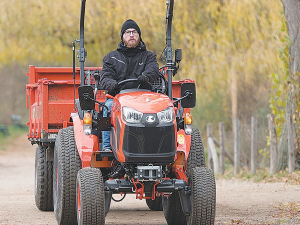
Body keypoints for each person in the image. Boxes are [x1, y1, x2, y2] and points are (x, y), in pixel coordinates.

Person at [100, 19, 160, 151]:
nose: (131, 35)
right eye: (128, 32)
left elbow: (153, 69)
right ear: (122, 37)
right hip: (119, 97)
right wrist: (113, 85)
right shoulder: (111, 58)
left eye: (134, 32)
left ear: (139, 35)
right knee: (107, 107)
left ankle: (156, 146)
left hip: (144, 98)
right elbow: (105, 77)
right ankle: (107, 146)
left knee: (161, 111)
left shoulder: (148, 56)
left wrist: (146, 77)